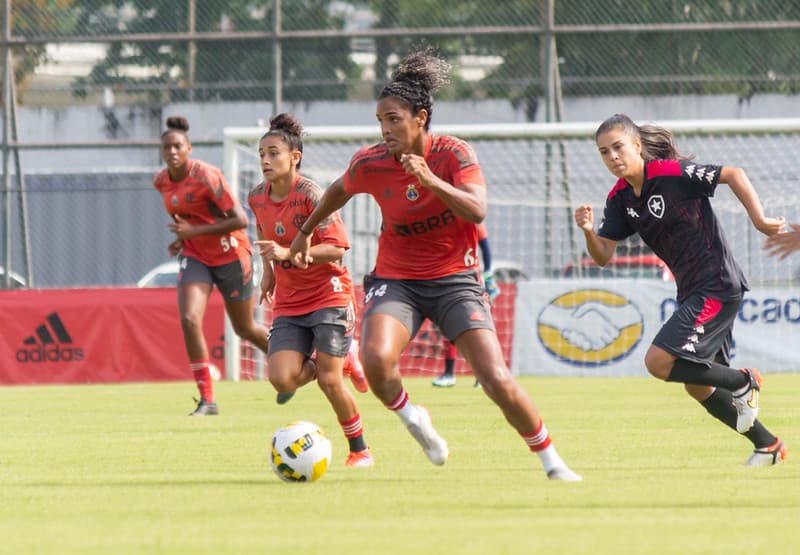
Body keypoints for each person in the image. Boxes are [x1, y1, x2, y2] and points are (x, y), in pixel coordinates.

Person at [289, 48, 581, 481]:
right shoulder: (371, 162)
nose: (386, 129)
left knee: (496, 378)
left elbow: (477, 210)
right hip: (396, 279)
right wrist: (305, 229)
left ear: (421, 118)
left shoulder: (453, 155)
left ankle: (552, 462)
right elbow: (337, 189)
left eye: (394, 119)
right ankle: (413, 420)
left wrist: (429, 179)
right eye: (380, 121)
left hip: (456, 280)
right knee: (375, 361)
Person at [574, 113, 788, 466]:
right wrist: (586, 231)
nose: (612, 156)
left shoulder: (669, 174)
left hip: (716, 283)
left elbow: (733, 174)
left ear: (637, 146)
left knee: (658, 362)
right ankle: (768, 445)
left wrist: (760, 221)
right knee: (698, 385)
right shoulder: (619, 198)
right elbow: (602, 256)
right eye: (604, 152)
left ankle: (742, 381)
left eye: (618, 147)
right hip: (692, 290)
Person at [248, 113, 373, 467]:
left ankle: (360, 449)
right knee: (282, 380)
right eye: (261, 154)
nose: (265, 161)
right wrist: (269, 271)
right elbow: (265, 234)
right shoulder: (256, 196)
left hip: (329, 293)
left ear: (294, 157)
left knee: (330, 382)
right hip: (289, 299)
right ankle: (340, 355)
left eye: (273, 153)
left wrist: (290, 253)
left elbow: (337, 249)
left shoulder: (312, 195)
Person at [155, 116, 269, 416]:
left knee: (244, 328)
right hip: (196, 256)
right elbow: (192, 219)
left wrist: (192, 232)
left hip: (231, 254)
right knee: (190, 320)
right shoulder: (161, 181)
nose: (172, 152)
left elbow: (241, 220)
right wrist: (183, 241)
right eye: (167, 147)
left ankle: (297, 362)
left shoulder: (207, 175)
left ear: (189, 147)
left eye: (178, 146)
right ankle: (208, 399)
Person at [432, 222, 499, 388]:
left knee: (477, 327)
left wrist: (488, 273)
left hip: (469, 280)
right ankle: (449, 373)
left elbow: (485, 247)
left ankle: (483, 374)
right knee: (446, 326)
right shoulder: (438, 221)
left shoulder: (471, 217)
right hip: (446, 278)